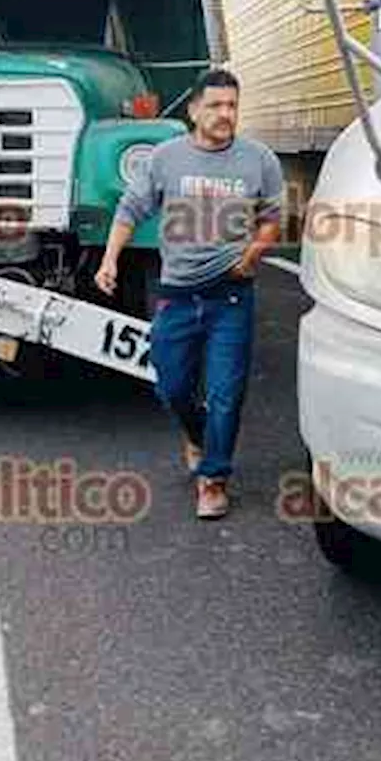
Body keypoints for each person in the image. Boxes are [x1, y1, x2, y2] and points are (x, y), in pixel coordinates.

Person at [95, 69, 284, 520]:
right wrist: (109, 259)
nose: (225, 114)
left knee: (226, 392)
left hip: (231, 296)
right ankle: (195, 434)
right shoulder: (165, 157)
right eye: (215, 106)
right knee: (172, 386)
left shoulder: (259, 160)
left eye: (232, 105)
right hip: (178, 294)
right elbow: (130, 209)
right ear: (194, 110)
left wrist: (252, 254)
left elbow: (272, 217)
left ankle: (213, 479)